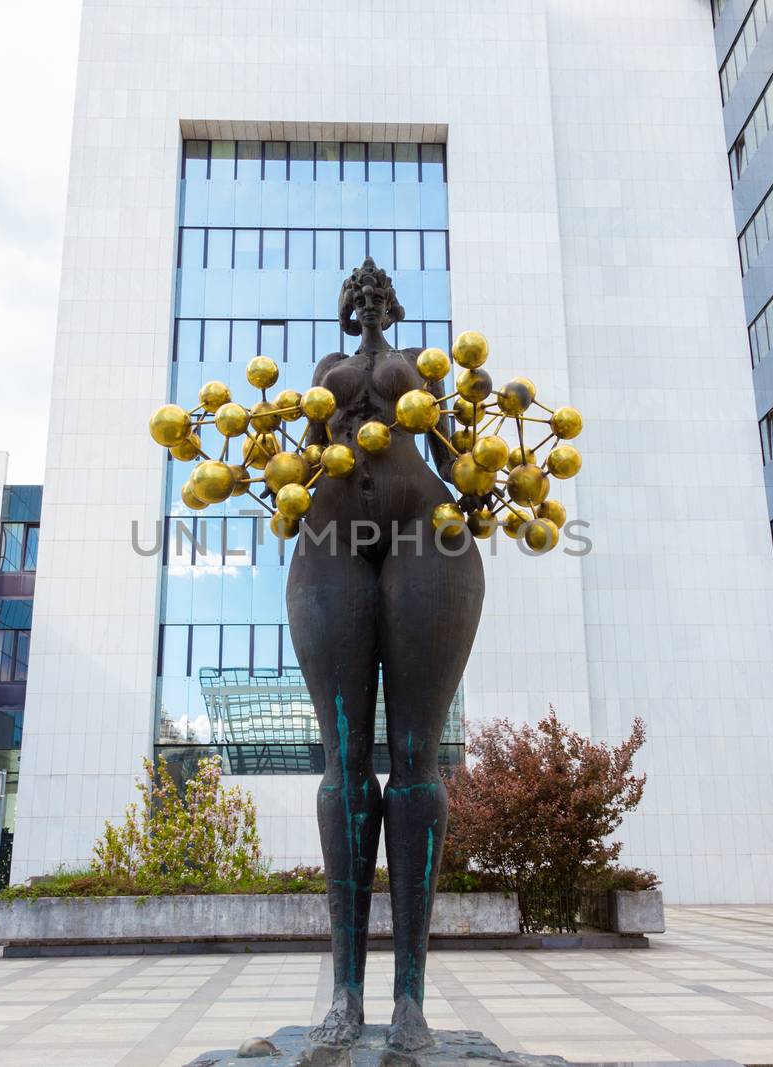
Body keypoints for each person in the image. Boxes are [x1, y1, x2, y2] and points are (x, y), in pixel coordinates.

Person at [289, 258, 485, 1052]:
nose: (367, 302)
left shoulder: (421, 367)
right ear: (345, 309)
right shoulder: (327, 371)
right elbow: (301, 463)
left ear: (392, 308)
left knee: (412, 760)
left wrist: (483, 475)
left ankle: (409, 1001)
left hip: (425, 532)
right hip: (331, 538)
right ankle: (343, 995)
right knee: (344, 761)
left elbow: (454, 459)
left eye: (377, 296)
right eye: (357, 296)